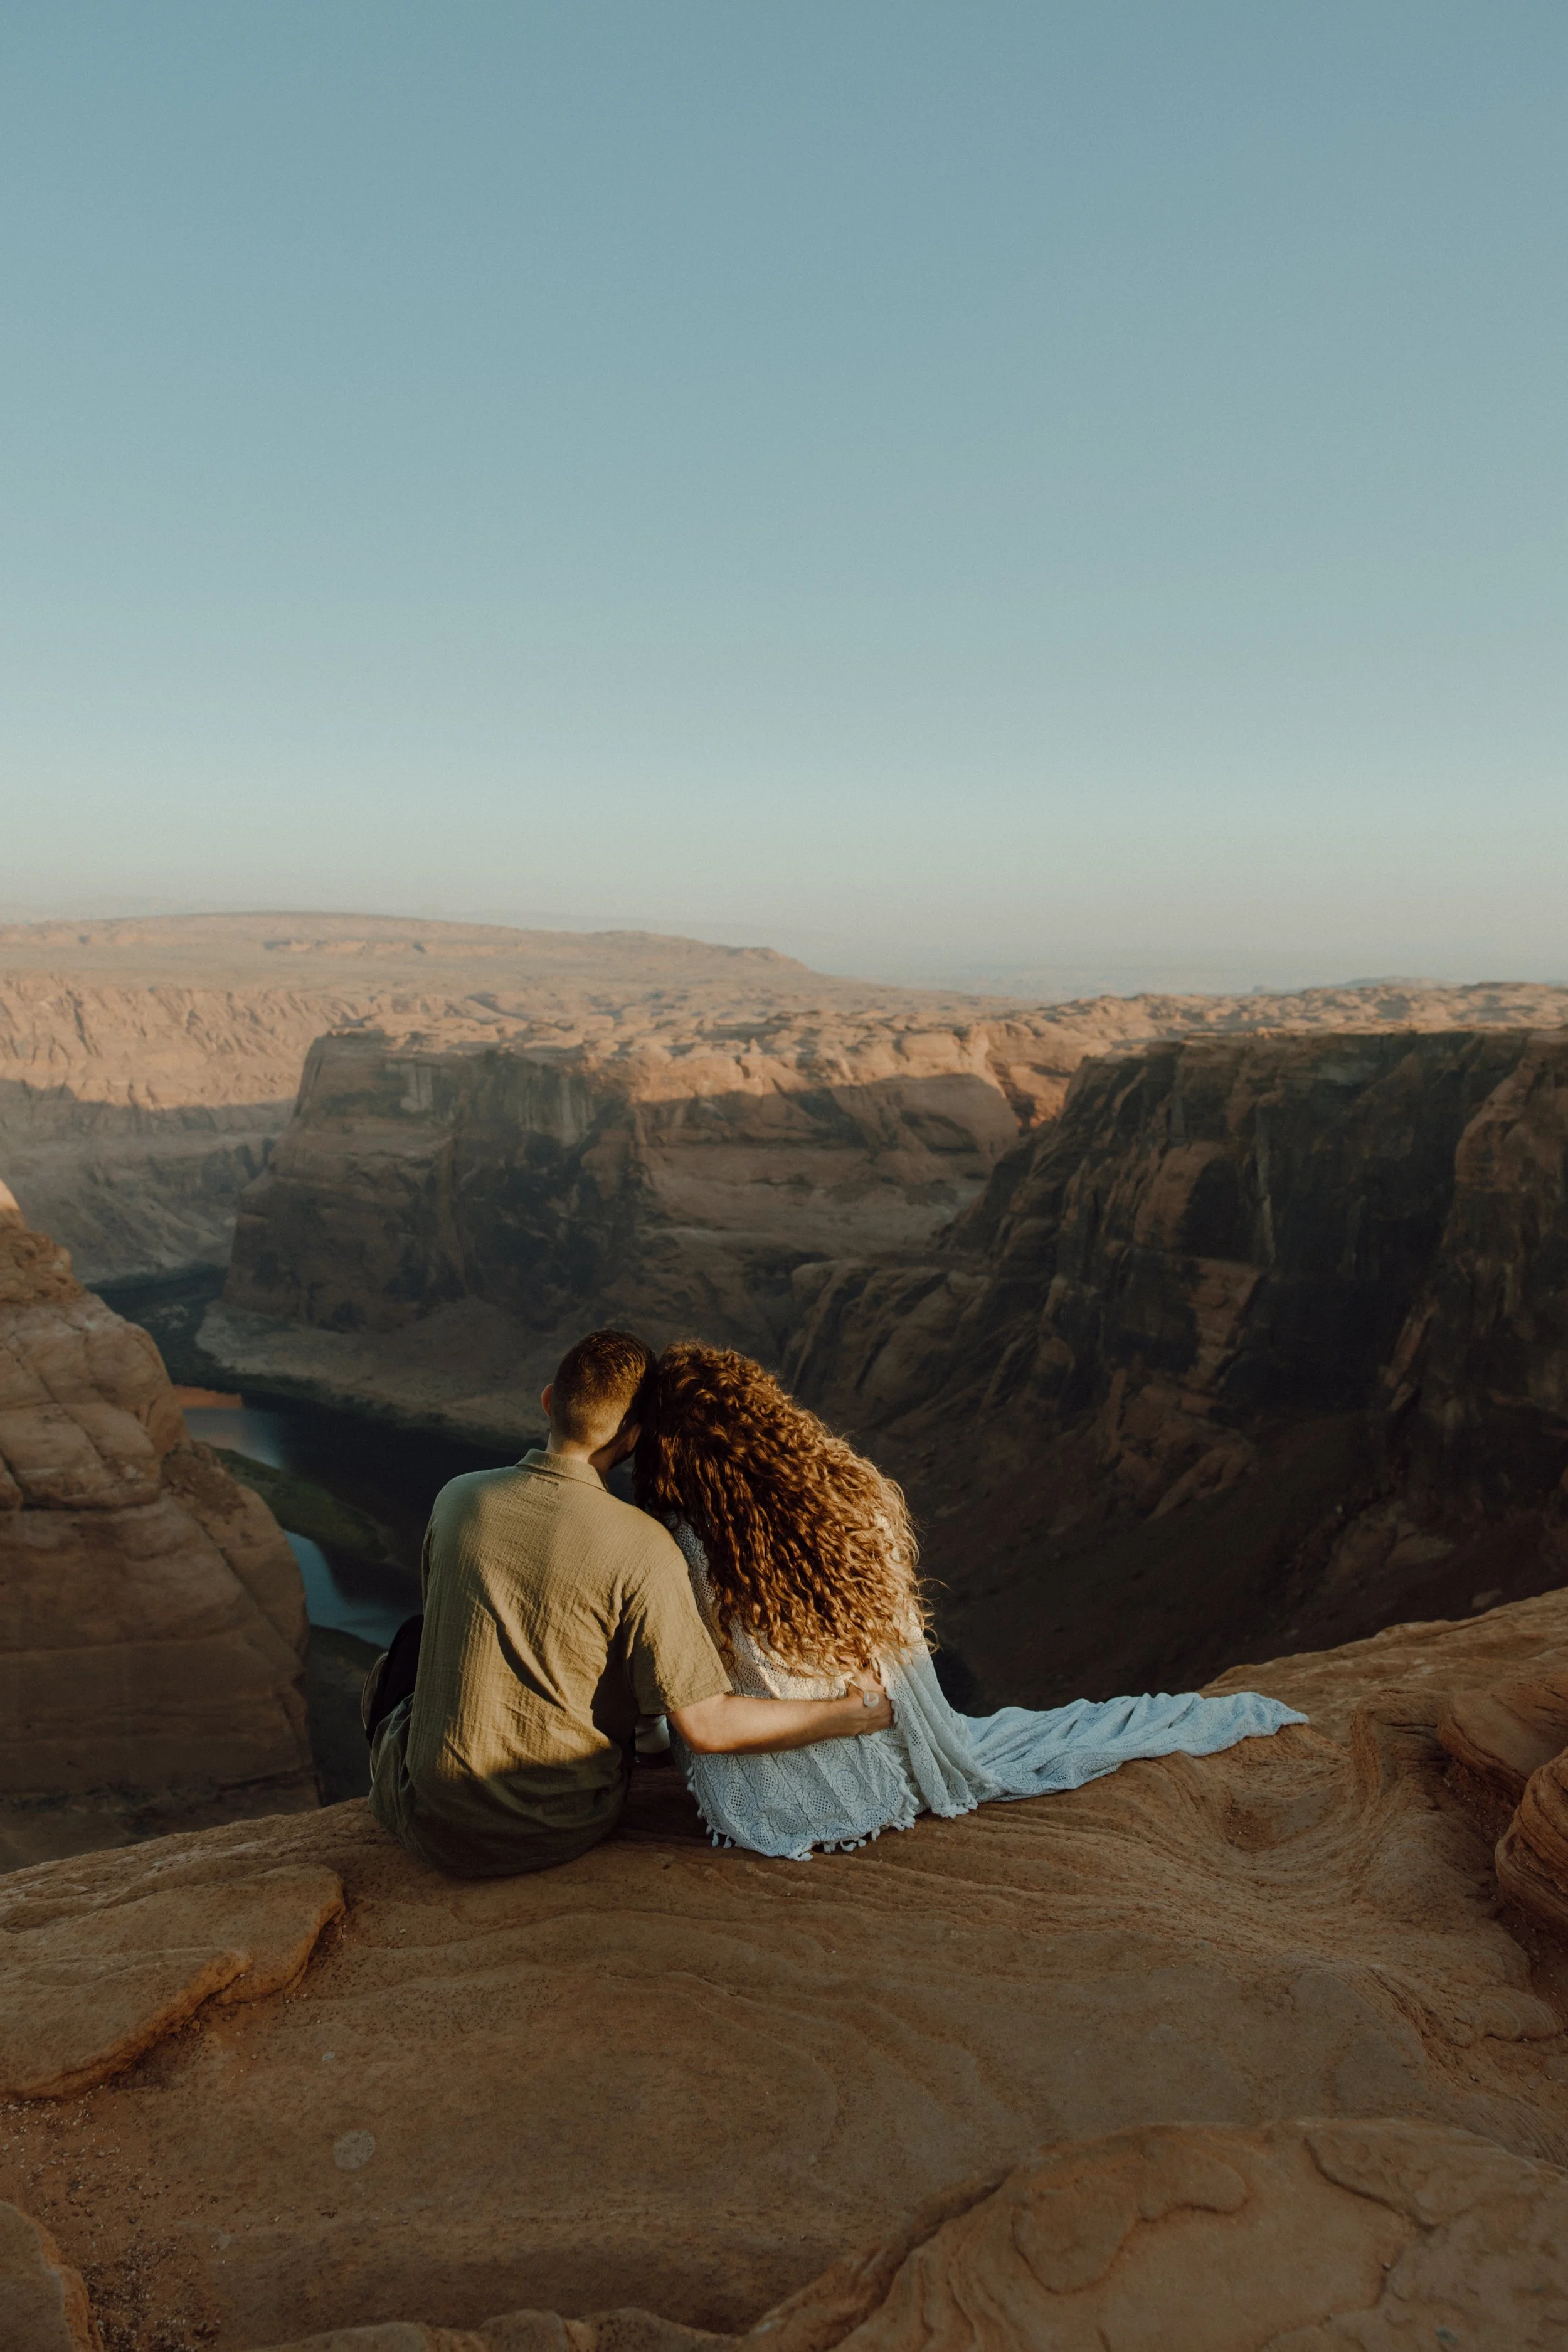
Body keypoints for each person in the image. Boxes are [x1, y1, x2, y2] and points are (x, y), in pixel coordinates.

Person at [635, 1342, 1307, 1860]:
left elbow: (698, 1695)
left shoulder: (682, 1548)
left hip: (771, 1810)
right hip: (888, 1774)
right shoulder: (851, 1497)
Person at [366, 1328, 894, 1878]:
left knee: (411, 1643)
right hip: (559, 1826)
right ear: (633, 1437)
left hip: (427, 1819)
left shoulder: (458, 1498)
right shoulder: (646, 1549)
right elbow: (708, 1727)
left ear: (550, 1399)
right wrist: (848, 1715)